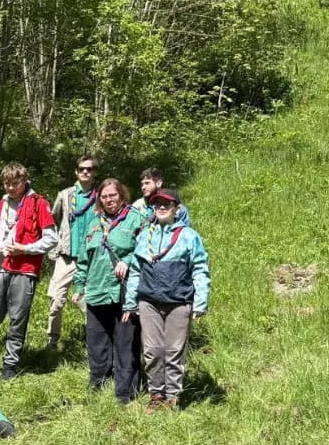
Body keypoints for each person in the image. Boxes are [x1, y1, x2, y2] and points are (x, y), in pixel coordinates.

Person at [0, 163, 57, 380]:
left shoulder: (39, 204)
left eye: (14, 184)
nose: (10, 188)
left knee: (18, 318)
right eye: (6, 183)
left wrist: (24, 249)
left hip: (24, 270)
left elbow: (52, 239)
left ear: (24, 181)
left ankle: (10, 363)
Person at [124, 189, 210, 412]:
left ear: (176, 209)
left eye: (167, 204)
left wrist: (200, 302)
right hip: (149, 301)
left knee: (174, 351)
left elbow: (200, 269)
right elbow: (135, 270)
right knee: (152, 351)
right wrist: (130, 301)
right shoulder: (145, 236)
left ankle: (172, 396)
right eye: (157, 204)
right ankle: (156, 394)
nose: (161, 207)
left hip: (178, 302)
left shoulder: (189, 236)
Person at [72, 178, 147, 404]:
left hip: (124, 291)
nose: (109, 200)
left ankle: (126, 391)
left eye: (113, 195)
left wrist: (129, 260)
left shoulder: (137, 219)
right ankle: (99, 383)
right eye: (104, 197)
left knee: (126, 342)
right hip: (96, 289)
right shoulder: (93, 223)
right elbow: (84, 259)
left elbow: (147, 251)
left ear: (121, 195)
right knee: (97, 342)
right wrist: (79, 285)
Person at [45, 155, 100, 351]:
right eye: (82, 169)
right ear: (76, 171)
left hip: (91, 259)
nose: (85, 172)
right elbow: (52, 221)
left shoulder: (100, 197)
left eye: (90, 169)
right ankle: (51, 343)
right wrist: (53, 252)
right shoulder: (65, 195)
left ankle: (93, 343)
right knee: (56, 301)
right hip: (66, 258)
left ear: (94, 172)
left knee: (90, 303)